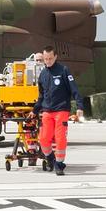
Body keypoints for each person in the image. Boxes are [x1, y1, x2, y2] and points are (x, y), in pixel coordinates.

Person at [28, 46, 84, 176]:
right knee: (43, 139)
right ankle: (50, 159)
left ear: (55, 57)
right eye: (45, 59)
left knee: (60, 139)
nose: (47, 61)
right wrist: (35, 110)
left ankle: (59, 165)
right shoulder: (42, 74)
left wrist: (80, 106)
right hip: (47, 110)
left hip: (61, 110)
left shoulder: (64, 70)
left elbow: (74, 89)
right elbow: (41, 96)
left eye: (50, 58)